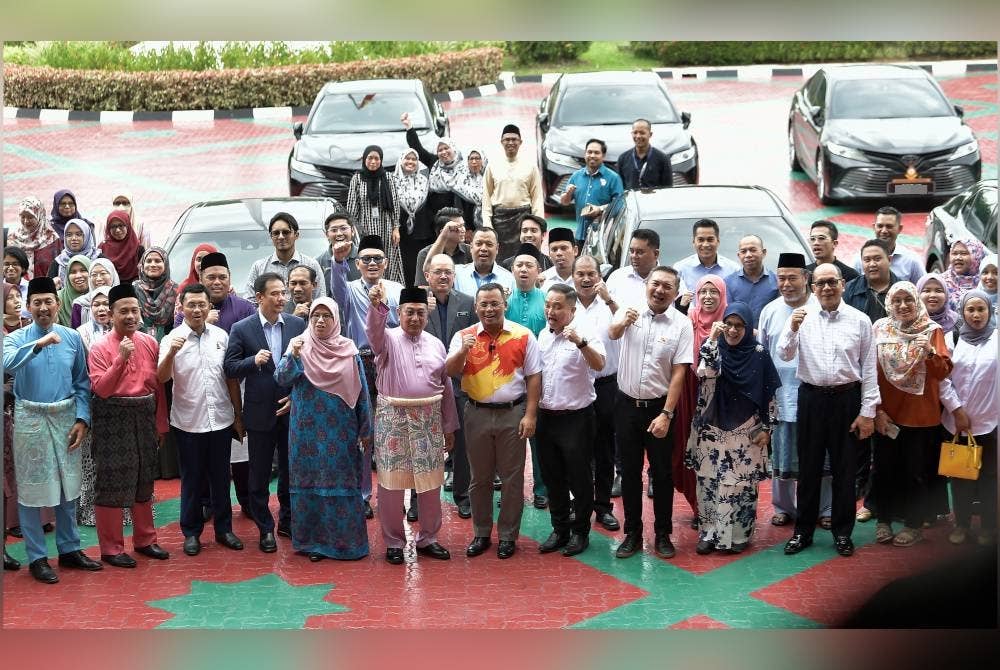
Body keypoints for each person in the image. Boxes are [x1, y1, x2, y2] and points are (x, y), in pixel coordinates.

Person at [2, 276, 103, 583]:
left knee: (67, 486)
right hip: (30, 418)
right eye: (37, 303)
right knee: (31, 490)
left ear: (57, 305)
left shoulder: (72, 337)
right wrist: (38, 344)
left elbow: (82, 383)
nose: (43, 308)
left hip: (65, 417)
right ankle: (37, 557)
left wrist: (82, 419)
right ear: (28, 307)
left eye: (49, 302)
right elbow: (7, 364)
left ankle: (70, 550)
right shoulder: (15, 338)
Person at [777, 264, 880, 558]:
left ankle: (843, 532)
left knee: (844, 470)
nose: (826, 288)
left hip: (846, 400)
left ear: (843, 284)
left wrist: (868, 411)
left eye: (831, 282)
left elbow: (869, 369)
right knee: (807, 468)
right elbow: (784, 354)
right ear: (812, 288)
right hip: (811, 399)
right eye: (820, 283)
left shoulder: (860, 321)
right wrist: (793, 328)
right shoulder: (801, 317)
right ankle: (803, 531)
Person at [446, 282, 542, 560]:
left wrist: (531, 414)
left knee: (512, 479)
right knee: (480, 478)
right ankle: (482, 532)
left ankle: (509, 536)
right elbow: (450, 371)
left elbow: (535, 376)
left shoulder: (523, 336)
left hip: (513, 413)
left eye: (494, 303)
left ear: (504, 305)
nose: (489, 309)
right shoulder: (463, 336)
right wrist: (464, 350)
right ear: (476, 307)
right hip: (475, 413)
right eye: (484, 304)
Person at [274, 298, 372, 561]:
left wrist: (366, 429)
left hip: (341, 431)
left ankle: (346, 544)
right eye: (315, 315)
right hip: (305, 432)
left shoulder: (349, 351)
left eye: (326, 316)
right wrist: (292, 355)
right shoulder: (300, 346)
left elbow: (362, 393)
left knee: (342, 482)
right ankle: (313, 544)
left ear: (336, 320)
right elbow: (282, 379)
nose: (319, 321)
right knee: (309, 483)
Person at [366, 286, 458, 563]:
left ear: (427, 314)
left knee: (430, 483)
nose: (415, 318)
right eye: (409, 312)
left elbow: (447, 386)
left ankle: (429, 537)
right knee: (391, 485)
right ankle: (394, 542)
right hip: (393, 418)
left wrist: (449, 425)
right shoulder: (387, 339)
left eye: (420, 312)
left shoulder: (436, 344)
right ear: (398, 313)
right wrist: (376, 307)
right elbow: (373, 333)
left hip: (428, 420)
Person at [608, 266, 693, 559]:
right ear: (648, 286)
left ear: (675, 292)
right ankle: (632, 533)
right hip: (626, 405)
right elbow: (612, 333)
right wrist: (622, 322)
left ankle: (663, 534)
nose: (659, 290)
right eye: (655, 284)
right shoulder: (631, 313)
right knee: (630, 473)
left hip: (659, 408)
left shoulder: (682, 324)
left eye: (667, 287)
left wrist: (667, 415)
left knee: (662, 473)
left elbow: (680, 372)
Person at [157, 283, 245, 557]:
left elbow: (231, 378)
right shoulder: (171, 338)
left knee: (221, 478)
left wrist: (237, 415)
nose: (197, 309)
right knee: (192, 480)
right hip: (188, 422)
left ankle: (224, 529)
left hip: (219, 419)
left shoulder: (221, 336)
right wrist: (171, 352)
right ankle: (191, 533)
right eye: (191, 305)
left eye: (202, 305)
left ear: (210, 307)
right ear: (181, 307)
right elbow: (161, 378)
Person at [87, 283, 170, 568]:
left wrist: (161, 423)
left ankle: (145, 540)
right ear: (111, 315)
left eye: (135, 310)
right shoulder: (99, 348)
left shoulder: (149, 342)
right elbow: (102, 389)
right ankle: (111, 548)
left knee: (144, 478)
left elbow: (158, 387)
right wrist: (121, 359)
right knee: (111, 481)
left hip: (144, 414)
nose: (131, 316)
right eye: (124, 311)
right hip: (112, 417)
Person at [687, 302, 780, 554]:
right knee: (708, 482)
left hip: (746, 428)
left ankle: (738, 536)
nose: (733, 330)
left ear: (749, 328)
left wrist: (768, 428)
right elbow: (705, 372)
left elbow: (770, 393)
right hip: (711, 427)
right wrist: (712, 338)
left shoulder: (759, 353)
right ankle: (708, 533)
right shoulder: (715, 348)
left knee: (740, 485)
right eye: (729, 324)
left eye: (740, 326)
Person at [224, 273, 306, 552]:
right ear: (259, 297)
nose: (282, 297)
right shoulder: (242, 328)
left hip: (291, 409)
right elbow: (230, 367)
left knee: (290, 470)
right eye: (275, 293)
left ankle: (287, 521)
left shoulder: (297, 324)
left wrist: (296, 397)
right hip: (258, 413)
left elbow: (309, 368)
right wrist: (252, 361)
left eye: (283, 292)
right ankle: (265, 528)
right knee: (258, 474)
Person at [870, 281, 952, 548]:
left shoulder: (932, 331)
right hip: (887, 414)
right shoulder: (880, 328)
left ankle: (914, 525)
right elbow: (869, 370)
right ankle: (883, 519)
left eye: (908, 300)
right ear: (889, 303)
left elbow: (943, 372)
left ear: (916, 301)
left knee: (915, 473)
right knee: (883, 470)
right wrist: (876, 410)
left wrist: (929, 353)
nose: (903, 305)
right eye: (897, 301)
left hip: (920, 415)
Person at [758, 253, 833, 530]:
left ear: (806, 278)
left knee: (820, 454)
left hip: (816, 395)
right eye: (781, 278)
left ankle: (825, 508)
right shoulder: (770, 311)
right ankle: (784, 507)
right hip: (780, 397)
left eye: (792, 278)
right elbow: (763, 354)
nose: (786, 284)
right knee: (782, 455)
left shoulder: (821, 307)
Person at [331, 235, 404, 516]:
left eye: (377, 259)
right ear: (357, 264)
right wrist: (339, 261)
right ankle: (362, 496)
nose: (372, 263)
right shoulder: (348, 289)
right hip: (357, 363)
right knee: (363, 432)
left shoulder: (396, 290)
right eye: (366, 259)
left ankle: (395, 495)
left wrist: (381, 306)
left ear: (385, 264)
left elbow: (399, 326)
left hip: (389, 361)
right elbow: (336, 294)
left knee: (393, 430)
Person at [536, 284, 606, 557]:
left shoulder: (585, 333)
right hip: (547, 417)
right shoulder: (542, 335)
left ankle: (580, 533)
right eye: (548, 305)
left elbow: (600, 364)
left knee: (579, 478)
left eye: (557, 306)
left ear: (572, 310)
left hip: (577, 419)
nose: (551, 311)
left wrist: (580, 342)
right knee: (552, 477)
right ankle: (560, 529)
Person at [421, 253, 477, 520]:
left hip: (460, 384)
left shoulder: (467, 303)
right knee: (422, 445)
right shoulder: (419, 303)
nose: (443, 276)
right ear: (427, 275)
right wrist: (425, 311)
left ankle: (463, 496)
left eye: (448, 272)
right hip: (426, 385)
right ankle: (417, 502)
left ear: (454, 276)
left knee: (463, 445)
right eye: (437, 272)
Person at [940, 290, 997, 546]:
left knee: (989, 478)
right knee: (961, 476)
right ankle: (961, 524)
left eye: (981, 309)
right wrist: (957, 410)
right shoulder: (952, 338)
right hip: (957, 423)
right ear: (962, 312)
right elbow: (942, 379)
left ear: (990, 310)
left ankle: (988, 527)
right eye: (970, 310)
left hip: (991, 423)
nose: (975, 315)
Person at [572, 255, 621, 531]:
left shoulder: (610, 306)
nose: (586, 279)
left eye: (591, 274)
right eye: (581, 274)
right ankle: (578, 506)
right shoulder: (566, 304)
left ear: (599, 276)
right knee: (576, 449)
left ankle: (603, 507)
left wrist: (611, 300)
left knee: (604, 449)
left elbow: (628, 328)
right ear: (574, 276)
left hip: (606, 385)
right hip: (577, 385)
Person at [504, 243, 549, 509]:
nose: (523, 269)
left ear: (538, 271)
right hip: (507, 379)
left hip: (538, 379)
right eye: (519, 265)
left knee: (538, 440)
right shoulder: (504, 300)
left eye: (528, 265)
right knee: (509, 443)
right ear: (512, 270)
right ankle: (511, 491)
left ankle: (543, 489)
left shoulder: (546, 300)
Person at [73, 286, 112, 528]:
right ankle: (88, 512)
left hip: (117, 406)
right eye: (96, 304)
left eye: (106, 303)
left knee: (113, 459)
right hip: (91, 402)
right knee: (90, 460)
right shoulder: (80, 334)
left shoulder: (126, 330)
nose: (101, 308)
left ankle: (121, 511)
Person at [481, 124, 545, 260]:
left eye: (514, 139)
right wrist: (487, 222)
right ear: (501, 142)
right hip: (500, 220)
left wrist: (539, 223)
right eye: (507, 139)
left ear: (520, 142)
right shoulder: (492, 166)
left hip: (523, 219)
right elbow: (486, 196)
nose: (511, 142)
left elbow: (537, 197)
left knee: (524, 258)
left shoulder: (530, 166)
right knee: (499, 259)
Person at [346, 145, 404, 284]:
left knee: (388, 259)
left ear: (381, 160)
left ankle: (389, 291)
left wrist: (396, 228)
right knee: (369, 258)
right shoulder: (357, 179)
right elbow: (352, 206)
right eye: (370, 158)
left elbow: (395, 204)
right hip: (365, 227)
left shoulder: (388, 177)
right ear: (364, 159)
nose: (373, 161)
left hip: (386, 226)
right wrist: (353, 228)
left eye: (376, 158)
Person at [243, 213, 327, 302]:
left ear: (296, 235)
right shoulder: (259, 267)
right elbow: (250, 303)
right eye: (276, 233)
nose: (281, 237)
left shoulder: (311, 265)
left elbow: (320, 301)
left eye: (286, 232)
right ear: (271, 236)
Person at [401, 112, 468, 220]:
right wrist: (409, 127)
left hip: (458, 217)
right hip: (435, 217)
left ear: (454, 149)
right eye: (440, 150)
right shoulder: (434, 162)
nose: (443, 152)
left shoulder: (463, 168)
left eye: (446, 148)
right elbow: (417, 148)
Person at [559, 138, 624, 243]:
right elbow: (564, 202)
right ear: (585, 154)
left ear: (603, 156)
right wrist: (568, 193)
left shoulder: (613, 178)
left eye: (596, 152)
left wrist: (600, 209)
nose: (592, 155)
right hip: (580, 235)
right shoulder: (576, 176)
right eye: (589, 152)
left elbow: (619, 205)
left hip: (603, 237)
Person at [392, 147, 433, 287]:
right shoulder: (393, 181)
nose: (410, 161)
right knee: (406, 267)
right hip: (401, 234)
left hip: (422, 232)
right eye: (407, 158)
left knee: (422, 265)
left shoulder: (424, 180)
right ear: (401, 161)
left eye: (414, 159)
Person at [851, 206, 923, 284]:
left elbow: (922, 288)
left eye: (889, 226)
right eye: (880, 226)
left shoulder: (911, 260)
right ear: (874, 227)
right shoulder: (860, 259)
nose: (884, 231)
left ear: (899, 228)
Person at [675, 220, 741, 305]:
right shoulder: (680, 269)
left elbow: (737, 301)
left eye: (710, 239)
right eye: (701, 240)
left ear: (718, 241)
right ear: (693, 242)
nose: (705, 244)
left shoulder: (733, 269)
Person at [724, 235, 778, 329]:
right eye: (743, 251)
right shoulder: (728, 282)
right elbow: (727, 316)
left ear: (764, 252)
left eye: (753, 250)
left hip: (768, 338)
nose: (748, 255)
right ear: (739, 255)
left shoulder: (776, 282)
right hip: (738, 339)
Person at [844, 239, 899, 325]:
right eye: (867, 260)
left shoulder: (902, 289)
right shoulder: (849, 289)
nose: (872, 264)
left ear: (889, 259)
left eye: (877, 259)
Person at [414, 208, 472, 285]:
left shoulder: (469, 251)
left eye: (463, 225)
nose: (463, 230)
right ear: (443, 231)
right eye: (457, 227)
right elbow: (422, 286)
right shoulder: (425, 254)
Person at [7, 196, 61, 280]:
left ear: (40, 215)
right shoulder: (13, 239)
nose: (26, 221)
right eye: (23, 216)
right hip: (19, 290)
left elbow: (57, 269)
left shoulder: (52, 239)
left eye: (30, 217)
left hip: (45, 290)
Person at [453, 227, 515, 296]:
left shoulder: (509, 279)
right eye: (479, 244)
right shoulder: (457, 274)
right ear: (471, 247)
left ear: (497, 248)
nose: (483, 249)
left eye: (489, 244)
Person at [616, 118, 674, 190]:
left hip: (655, 199)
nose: (638, 136)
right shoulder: (623, 158)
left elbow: (667, 188)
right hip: (631, 200)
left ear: (650, 134)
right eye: (635, 132)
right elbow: (619, 186)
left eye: (642, 133)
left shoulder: (662, 158)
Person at [134, 247, 178, 340]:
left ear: (165, 264)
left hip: (169, 344)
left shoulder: (175, 290)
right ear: (142, 264)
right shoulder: (134, 289)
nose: (153, 265)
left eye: (157, 261)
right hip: (139, 342)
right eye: (149, 261)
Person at [316, 213, 360, 299]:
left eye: (343, 228)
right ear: (327, 235)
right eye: (334, 230)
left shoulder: (364, 257)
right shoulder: (318, 262)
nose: (339, 233)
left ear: (353, 231)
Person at [49, 219, 101, 286]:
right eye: (69, 235)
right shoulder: (59, 262)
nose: (73, 238)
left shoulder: (98, 258)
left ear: (87, 236)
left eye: (78, 234)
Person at [71, 257, 119, 329]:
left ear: (112, 275)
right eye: (94, 275)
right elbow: (75, 334)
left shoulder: (122, 300)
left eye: (103, 273)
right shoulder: (80, 304)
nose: (98, 278)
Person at [940, 238, 986, 311]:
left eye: (964, 253)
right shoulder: (940, 282)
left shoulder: (986, 283)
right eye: (954, 253)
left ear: (977, 256)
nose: (958, 257)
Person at [99, 210, 143, 283]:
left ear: (128, 225)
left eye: (121, 225)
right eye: (113, 226)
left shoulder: (138, 249)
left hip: (134, 290)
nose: (118, 230)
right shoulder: (102, 248)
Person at [174, 243, 219, 314]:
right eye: (199, 259)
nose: (202, 263)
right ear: (193, 262)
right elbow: (178, 320)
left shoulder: (221, 287)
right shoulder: (184, 288)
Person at [454, 146, 488, 228]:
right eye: (471, 159)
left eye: (477, 158)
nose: (474, 161)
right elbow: (458, 207)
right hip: (468, 228)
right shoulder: (461, 181)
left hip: (487, 224)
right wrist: (466, 228)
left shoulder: (488, 179)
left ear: (483, 160)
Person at [57, 255, 92, 327]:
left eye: (83, 270)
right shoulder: (58, 298)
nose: (78, 276)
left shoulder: (100, 297)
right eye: (73, 272)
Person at [3, 247, 31, 318]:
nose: (10, 268)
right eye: (6, 264)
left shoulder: (32, 288)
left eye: (15, 264)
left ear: (23, 268)